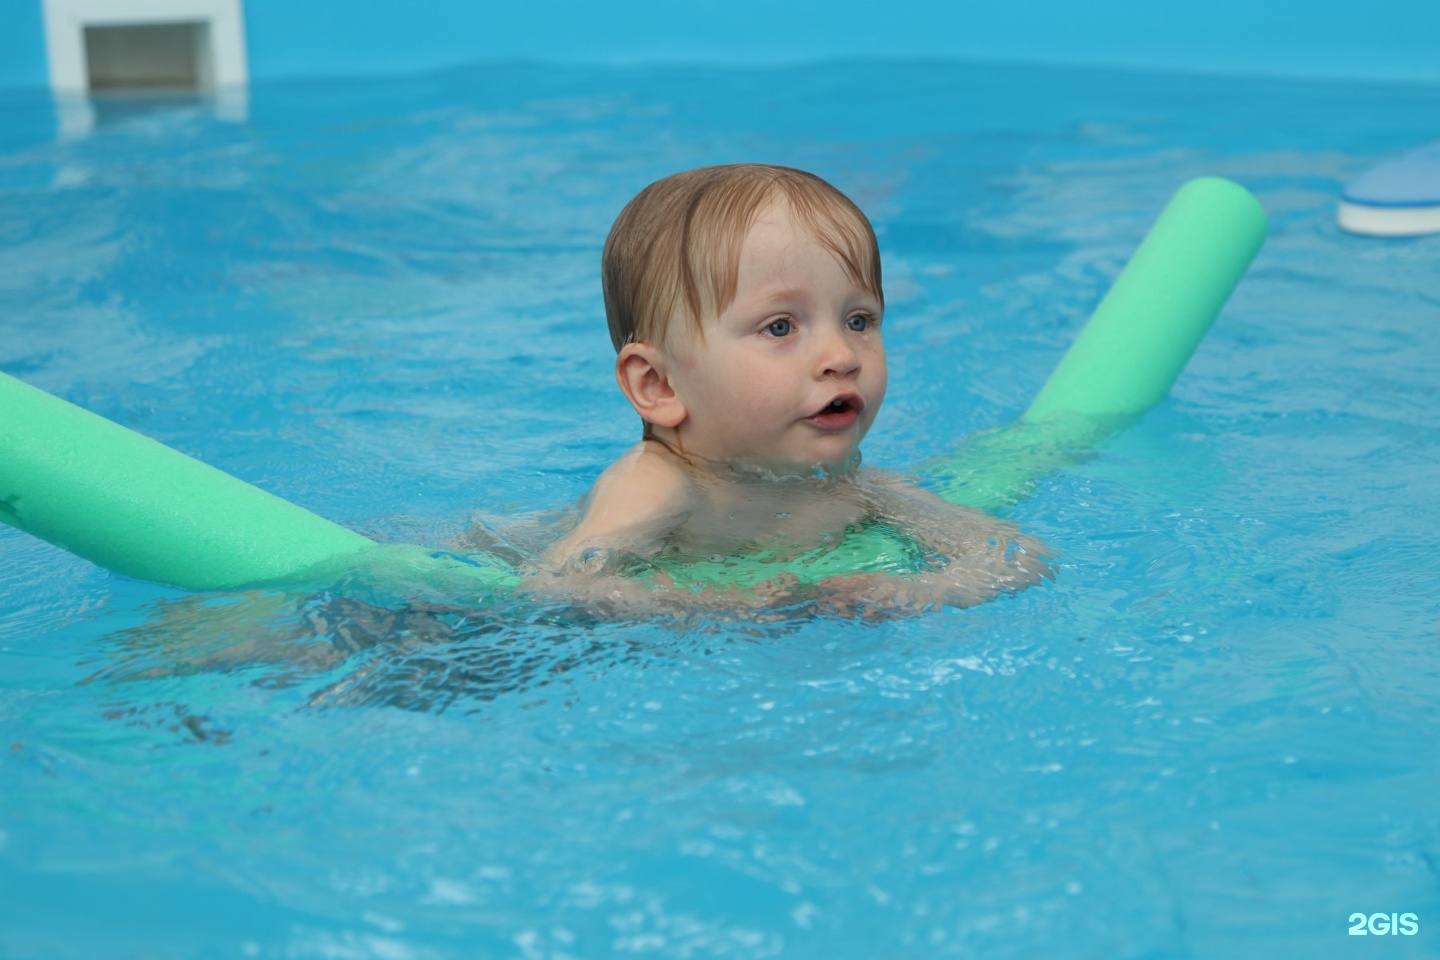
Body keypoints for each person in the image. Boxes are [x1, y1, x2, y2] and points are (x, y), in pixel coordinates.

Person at [527, 163, 1048, 619]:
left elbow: (1015, 557)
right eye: (780, 327)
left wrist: (911, 592)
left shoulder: (850, 488)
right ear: (659, 384)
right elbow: (563, 587)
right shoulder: (656, 487)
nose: (842, 356)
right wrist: (732, 604)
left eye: (859, 320)